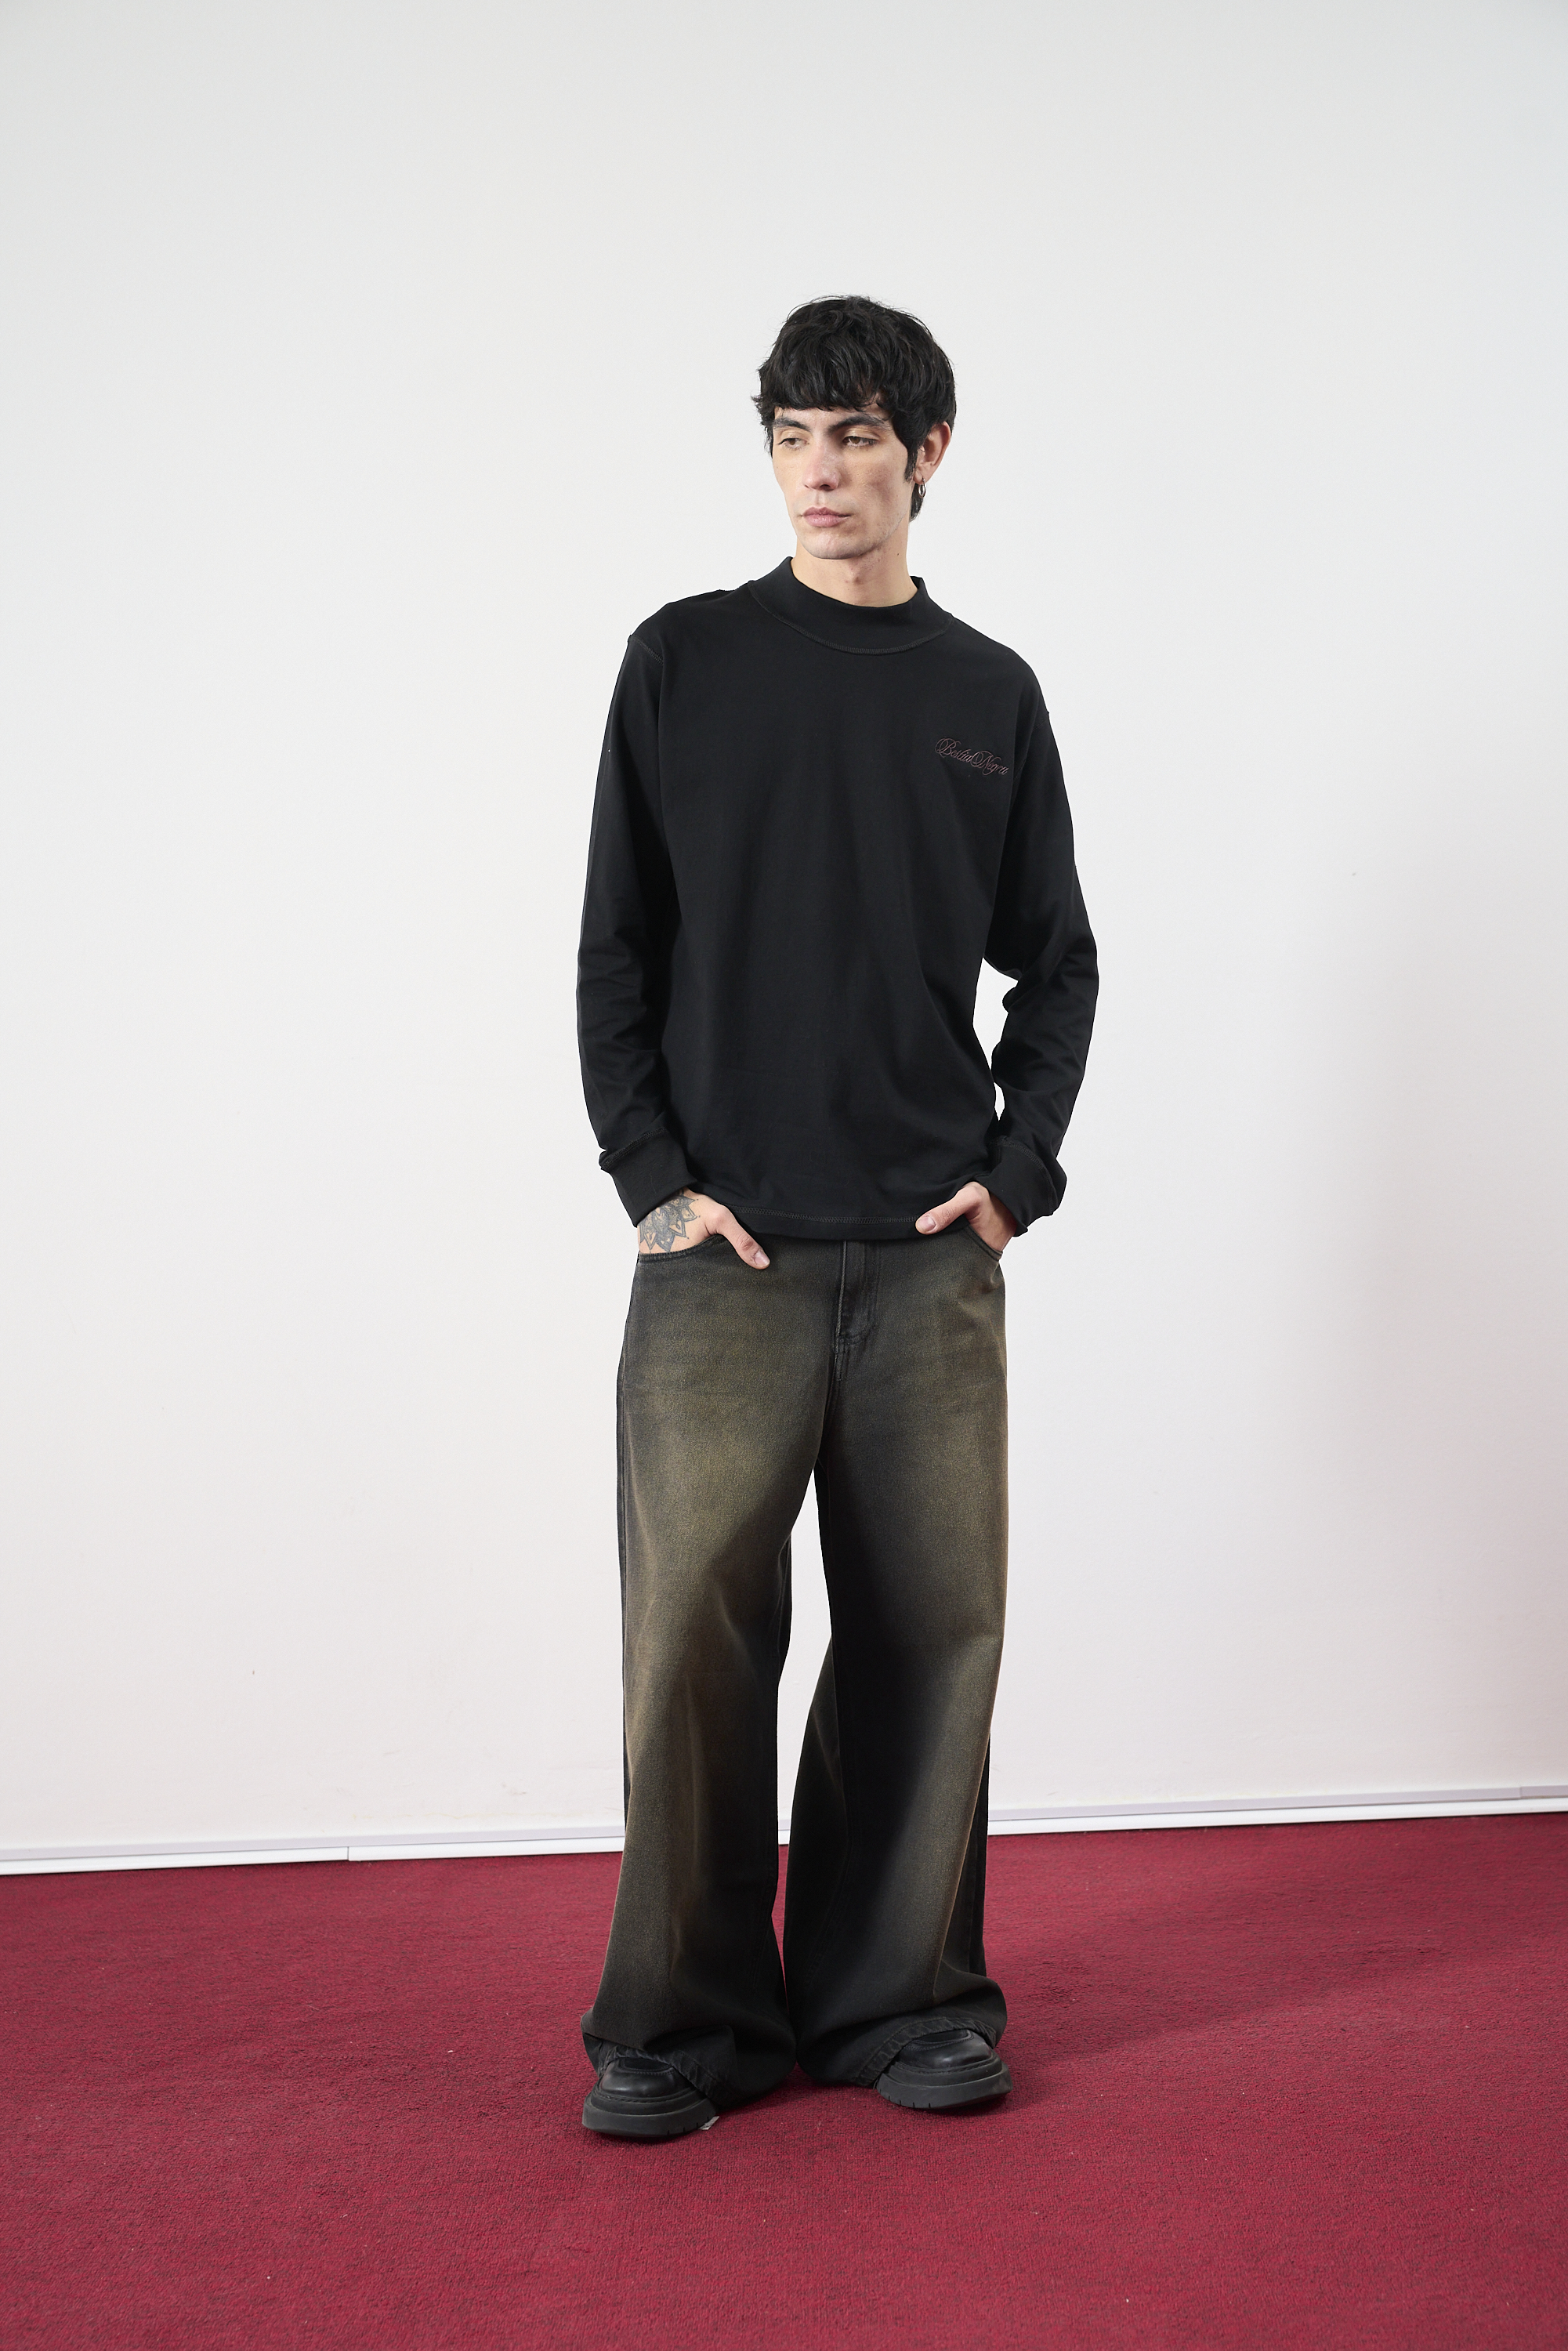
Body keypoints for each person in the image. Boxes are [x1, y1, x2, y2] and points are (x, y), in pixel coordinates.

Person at [573, 295, 1098, 2139]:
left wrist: (1012, 1179)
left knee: (927, 1638)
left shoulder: (986, 696)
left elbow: (1058, 963)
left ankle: (901, 2002)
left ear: (924, 454)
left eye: (856, 435)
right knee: (691, 1647)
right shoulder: (683, 663)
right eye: (793, 435)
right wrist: (650, 1181)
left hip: (928, 1261)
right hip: (722, 1258)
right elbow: (613, 946)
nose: (819, 470)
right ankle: (679, 2022)